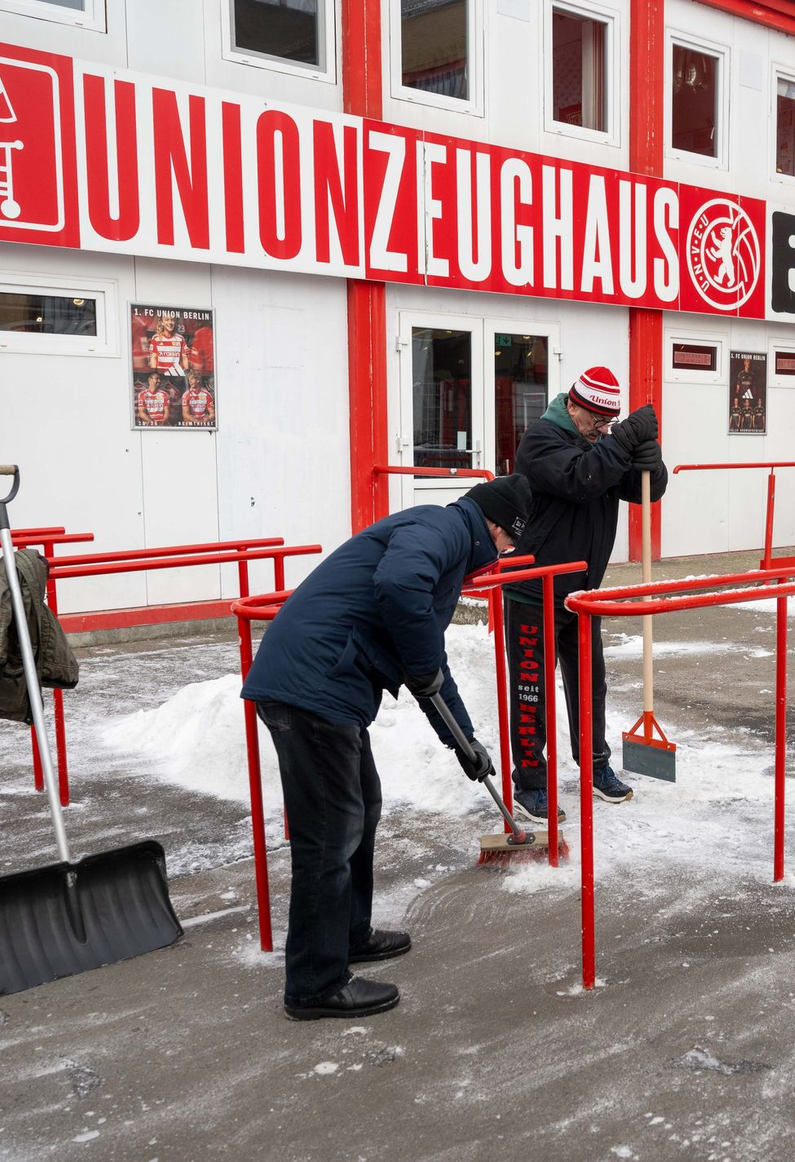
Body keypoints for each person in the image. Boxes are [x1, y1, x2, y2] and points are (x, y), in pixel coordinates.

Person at [241, 474, 531, 1020]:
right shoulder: (442, 527)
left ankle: (347, 935)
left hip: (327, 686)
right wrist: (421, 667)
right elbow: (400, 590)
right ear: (496, 528)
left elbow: (428, 660)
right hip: (313, 685)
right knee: (331, 831)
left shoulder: (443, 538)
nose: (501, 557)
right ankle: (314, 983)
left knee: (362, 805)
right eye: (508, 545)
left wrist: (462, 741)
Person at [504, 366, 668, 822]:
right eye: (595, 420)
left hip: (581, 592)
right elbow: (582, 479)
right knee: (530, 690)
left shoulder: (600, 445)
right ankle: (531, 782)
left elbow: (645, 492)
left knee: (591, 684)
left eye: (608, 423)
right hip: (533, 590)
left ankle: (595, 766)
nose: (601, 430)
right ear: (572, 405)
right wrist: (622, 440)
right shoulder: (542, 440)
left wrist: (649, 458)